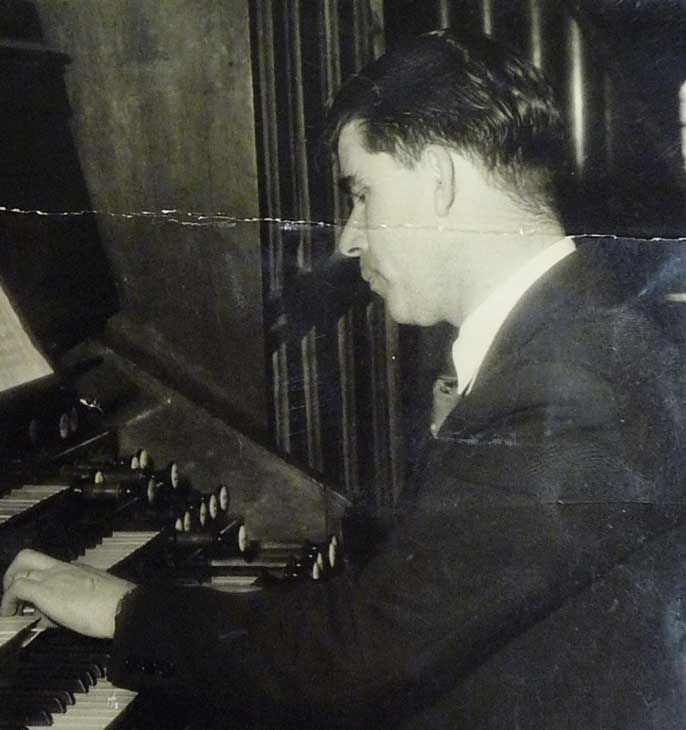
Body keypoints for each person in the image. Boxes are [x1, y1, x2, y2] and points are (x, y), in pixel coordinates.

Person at [2, 29, 685, 729]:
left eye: (363, 194)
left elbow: (364, 657)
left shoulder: (568, 385)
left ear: (440, 181)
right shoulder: (574, 329)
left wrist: (121, 611)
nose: (350, 237)